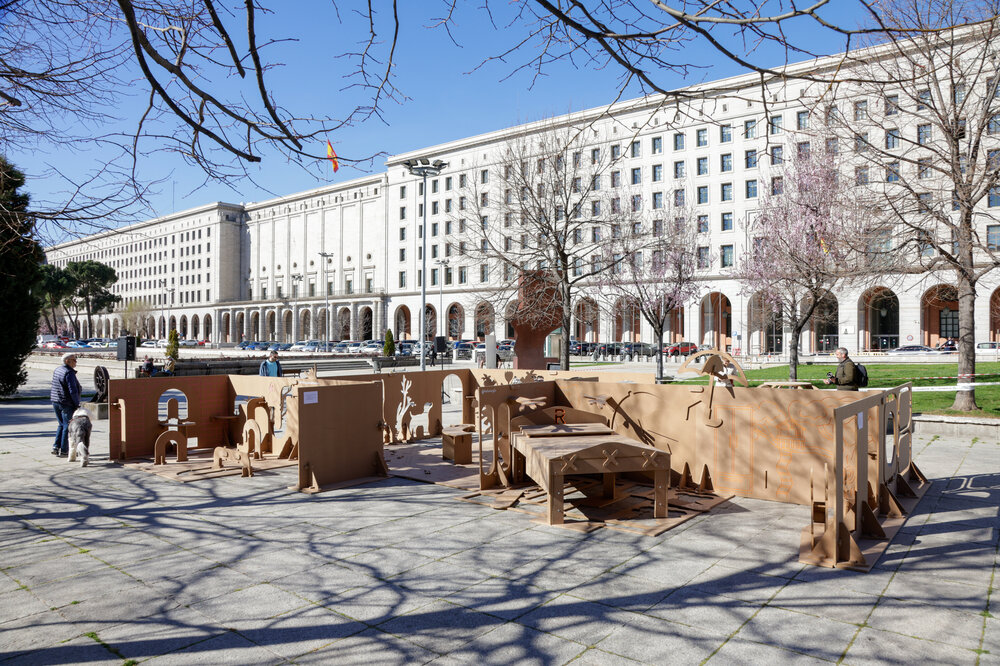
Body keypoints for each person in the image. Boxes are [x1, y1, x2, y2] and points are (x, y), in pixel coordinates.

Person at [50, 353, 81, 456]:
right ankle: (64, 450)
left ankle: (55, 447)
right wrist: (77, 403)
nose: (76, 362)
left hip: (55, 401)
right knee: (67, 426)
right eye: (74, 360)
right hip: (66, 402)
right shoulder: (69, 373)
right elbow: (73, 390)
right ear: (67, 361)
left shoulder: (58, 369)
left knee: (61, 424)